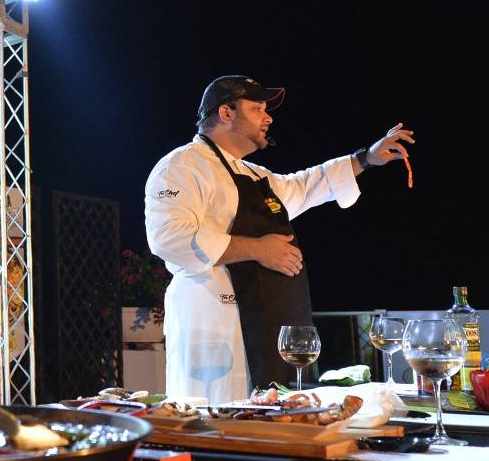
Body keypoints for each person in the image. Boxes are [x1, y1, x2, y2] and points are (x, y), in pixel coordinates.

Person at [144, 75, 413, 403]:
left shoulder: (256, 175)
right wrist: (259, 250)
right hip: (211, 321)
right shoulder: (181, 166)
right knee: (214, 421)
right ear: (227, 113)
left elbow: (305, 185)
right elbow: (168, 237)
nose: (268, 117)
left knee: (262, 417)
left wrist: (365, 158)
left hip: (264, 321)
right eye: (257, 108)